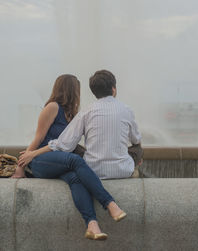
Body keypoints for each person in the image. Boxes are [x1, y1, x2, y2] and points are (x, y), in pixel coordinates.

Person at [11, 74, 126, 241]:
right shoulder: (52, 107)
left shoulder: (72, 114)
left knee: (75, 179)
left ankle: (92, 225)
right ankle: (109, 203)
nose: (79, 93)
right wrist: (21, 166)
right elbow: (38, 138)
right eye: (77, 89)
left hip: (60, 162)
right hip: (41, 161)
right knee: (75, 161)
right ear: (71, 90)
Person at [48, 70, 142, 179]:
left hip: (93, 170)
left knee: (76, 147)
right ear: (113, 89)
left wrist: (37, 152)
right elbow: (136, 140)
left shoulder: (86, 111)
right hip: (123, 170)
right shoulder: (127, 110)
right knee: (138, 148)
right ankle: (133, 168)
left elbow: (65, 145)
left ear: (94, 92)